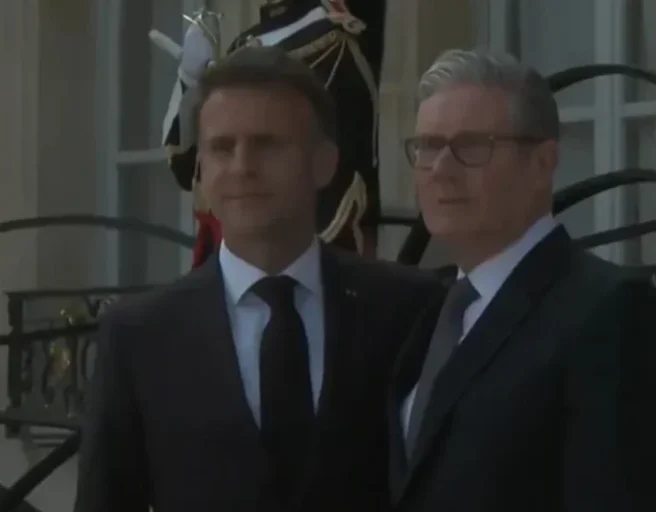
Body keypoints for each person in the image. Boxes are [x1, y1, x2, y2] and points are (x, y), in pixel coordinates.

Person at [74, 46, 442, 512]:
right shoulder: (138, 335)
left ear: (324, 163)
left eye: (267, 145)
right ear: (202, 169)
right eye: (222, 148)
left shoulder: (407, 309)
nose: (242, 167)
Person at [388, 48, 656, 512]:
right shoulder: (425, 311)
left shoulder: (613, 314)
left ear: (542, 163)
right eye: (428, 146)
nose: (441, 170)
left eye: (472, 146)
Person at [154, 0, 387, 268]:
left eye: (265, 145)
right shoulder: (244, 44)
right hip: (226, 258)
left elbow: (341, 178)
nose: (240, 166)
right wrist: (190, 78)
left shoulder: (331, 43)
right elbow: (187, 168)